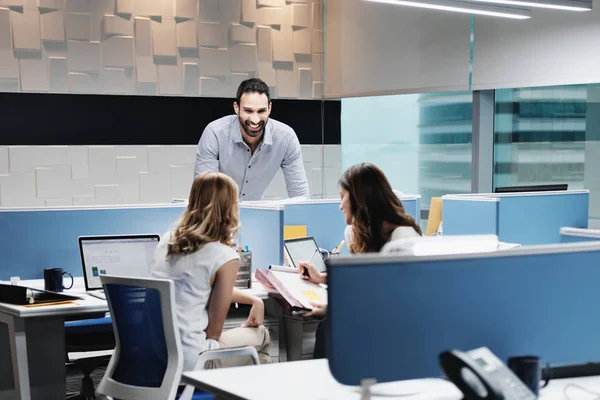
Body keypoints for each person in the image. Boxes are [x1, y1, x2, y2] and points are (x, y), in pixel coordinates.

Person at [298, 163, 422, 359]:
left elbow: (393, 296)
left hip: (398, 326)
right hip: (376, 319)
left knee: (329, 326)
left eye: (342, 197)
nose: (340, 206)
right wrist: (321, 278)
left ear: (358, 199)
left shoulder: (403, 237)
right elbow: (366, 282)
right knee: (327, 325)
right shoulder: (357, 234)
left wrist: (338, 308)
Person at [150, 171, 271, 371]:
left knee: (261, 360)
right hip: (193, 362)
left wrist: (253, 300)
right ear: (229, 209)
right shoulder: (224, 256)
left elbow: (197, 287)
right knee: (262, 336)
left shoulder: (167, 240)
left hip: (155, 358)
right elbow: (213, 333)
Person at [194, 78, 310, 201]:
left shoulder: (286, 138)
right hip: (218, 214)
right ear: (236, 108)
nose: (255, 120)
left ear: (269, 108)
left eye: (261, 111)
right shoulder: (215, 133)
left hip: (257, 214)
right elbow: (203, 193)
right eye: (248, 111)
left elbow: (300, 194)